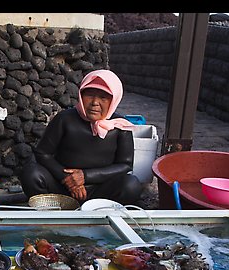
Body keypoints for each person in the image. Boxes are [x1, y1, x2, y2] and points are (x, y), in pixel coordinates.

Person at [19, 69, 142, 205]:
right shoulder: (64, 119)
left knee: (131, 185)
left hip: (101, 190)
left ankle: (102, 213)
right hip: (62, 187)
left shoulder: (120, 126)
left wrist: (85, 176)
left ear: (114, 100)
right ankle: (53, 210)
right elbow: (43, 153)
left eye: (103, 97)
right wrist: (68, 179)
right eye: (89, 95)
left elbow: (125, 165)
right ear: (81, 95)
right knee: (31, 174)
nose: (95, 102)